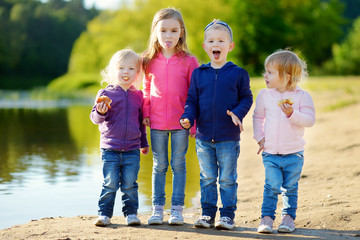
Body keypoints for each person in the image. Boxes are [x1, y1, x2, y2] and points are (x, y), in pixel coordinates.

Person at [180, 19, 253, 230]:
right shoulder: (199, 74)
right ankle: (207, 214)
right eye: (211, 41)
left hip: (228, 136)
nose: (216, 44)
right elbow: (192, 100)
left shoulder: (238, 73)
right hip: (203, 137)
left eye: (221, 40)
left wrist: (238, 113)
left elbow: (246, 98)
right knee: (207, 178)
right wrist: (187, 117)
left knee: (228, 179)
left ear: (230, 46)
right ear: (205, 46)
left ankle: (227, 215)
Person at [142, 8, 199, 226]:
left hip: (181, 123)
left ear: (181, 32)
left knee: (178, 164)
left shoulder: (189, 61)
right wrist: (146, 113)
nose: (168, 36)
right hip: (156, 123)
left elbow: (194, 94)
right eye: (163, 30)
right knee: (159, 165)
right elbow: (146, 89)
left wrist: (193, 123)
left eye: (173, 30)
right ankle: (157, 209)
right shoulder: (148, 61)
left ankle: (176, 210)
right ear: (155, 31)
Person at [253, 50, 315, 234]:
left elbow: (310, 120)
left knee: (290, 187)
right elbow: (258, 117)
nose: (265, 75)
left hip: (294, 153)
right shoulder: (265, 95)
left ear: (286, 77)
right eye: (266, 71)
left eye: (270, 72)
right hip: (270, 152)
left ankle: (288, 218)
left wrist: (292, 114)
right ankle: (267, 218)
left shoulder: (302, 96)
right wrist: (260, 137)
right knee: (271, 185)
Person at [90, 49, 149, 227]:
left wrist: (144, 143)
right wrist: (101, 111)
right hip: (110, 148)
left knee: (130, 184)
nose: (126, 72)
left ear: (137, 73)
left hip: (132, 149)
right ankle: (104, 214)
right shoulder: (105, 94)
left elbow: (141, 124)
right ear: (113, 71)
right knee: (110, 183)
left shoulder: (138, 96)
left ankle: (131, 214)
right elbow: (95, 118)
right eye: (121, 68)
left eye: (131, 69)